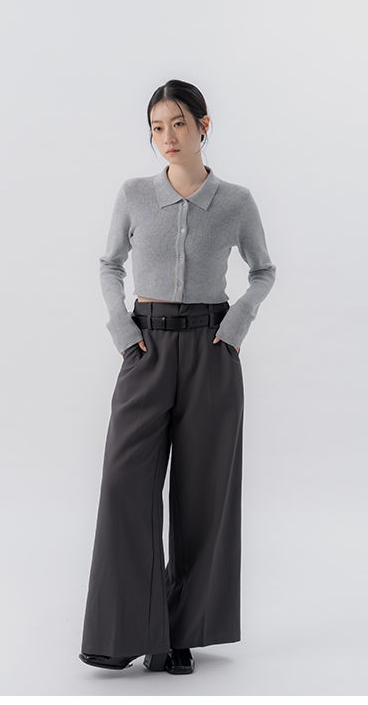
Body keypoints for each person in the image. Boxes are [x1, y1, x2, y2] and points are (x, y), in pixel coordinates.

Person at [78, 79, 276, 675]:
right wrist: (122, 329)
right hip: (146, 350)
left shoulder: (235, 201)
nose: (167, 137)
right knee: (125, 486)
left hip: (212, 351)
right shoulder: (135, 195)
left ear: (203, 126)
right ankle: (125, 630)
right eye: (157, 127)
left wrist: (235, 326)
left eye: (179, 124)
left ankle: (181, 633)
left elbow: (263, 271)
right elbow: (110, 264)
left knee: (202, 494)